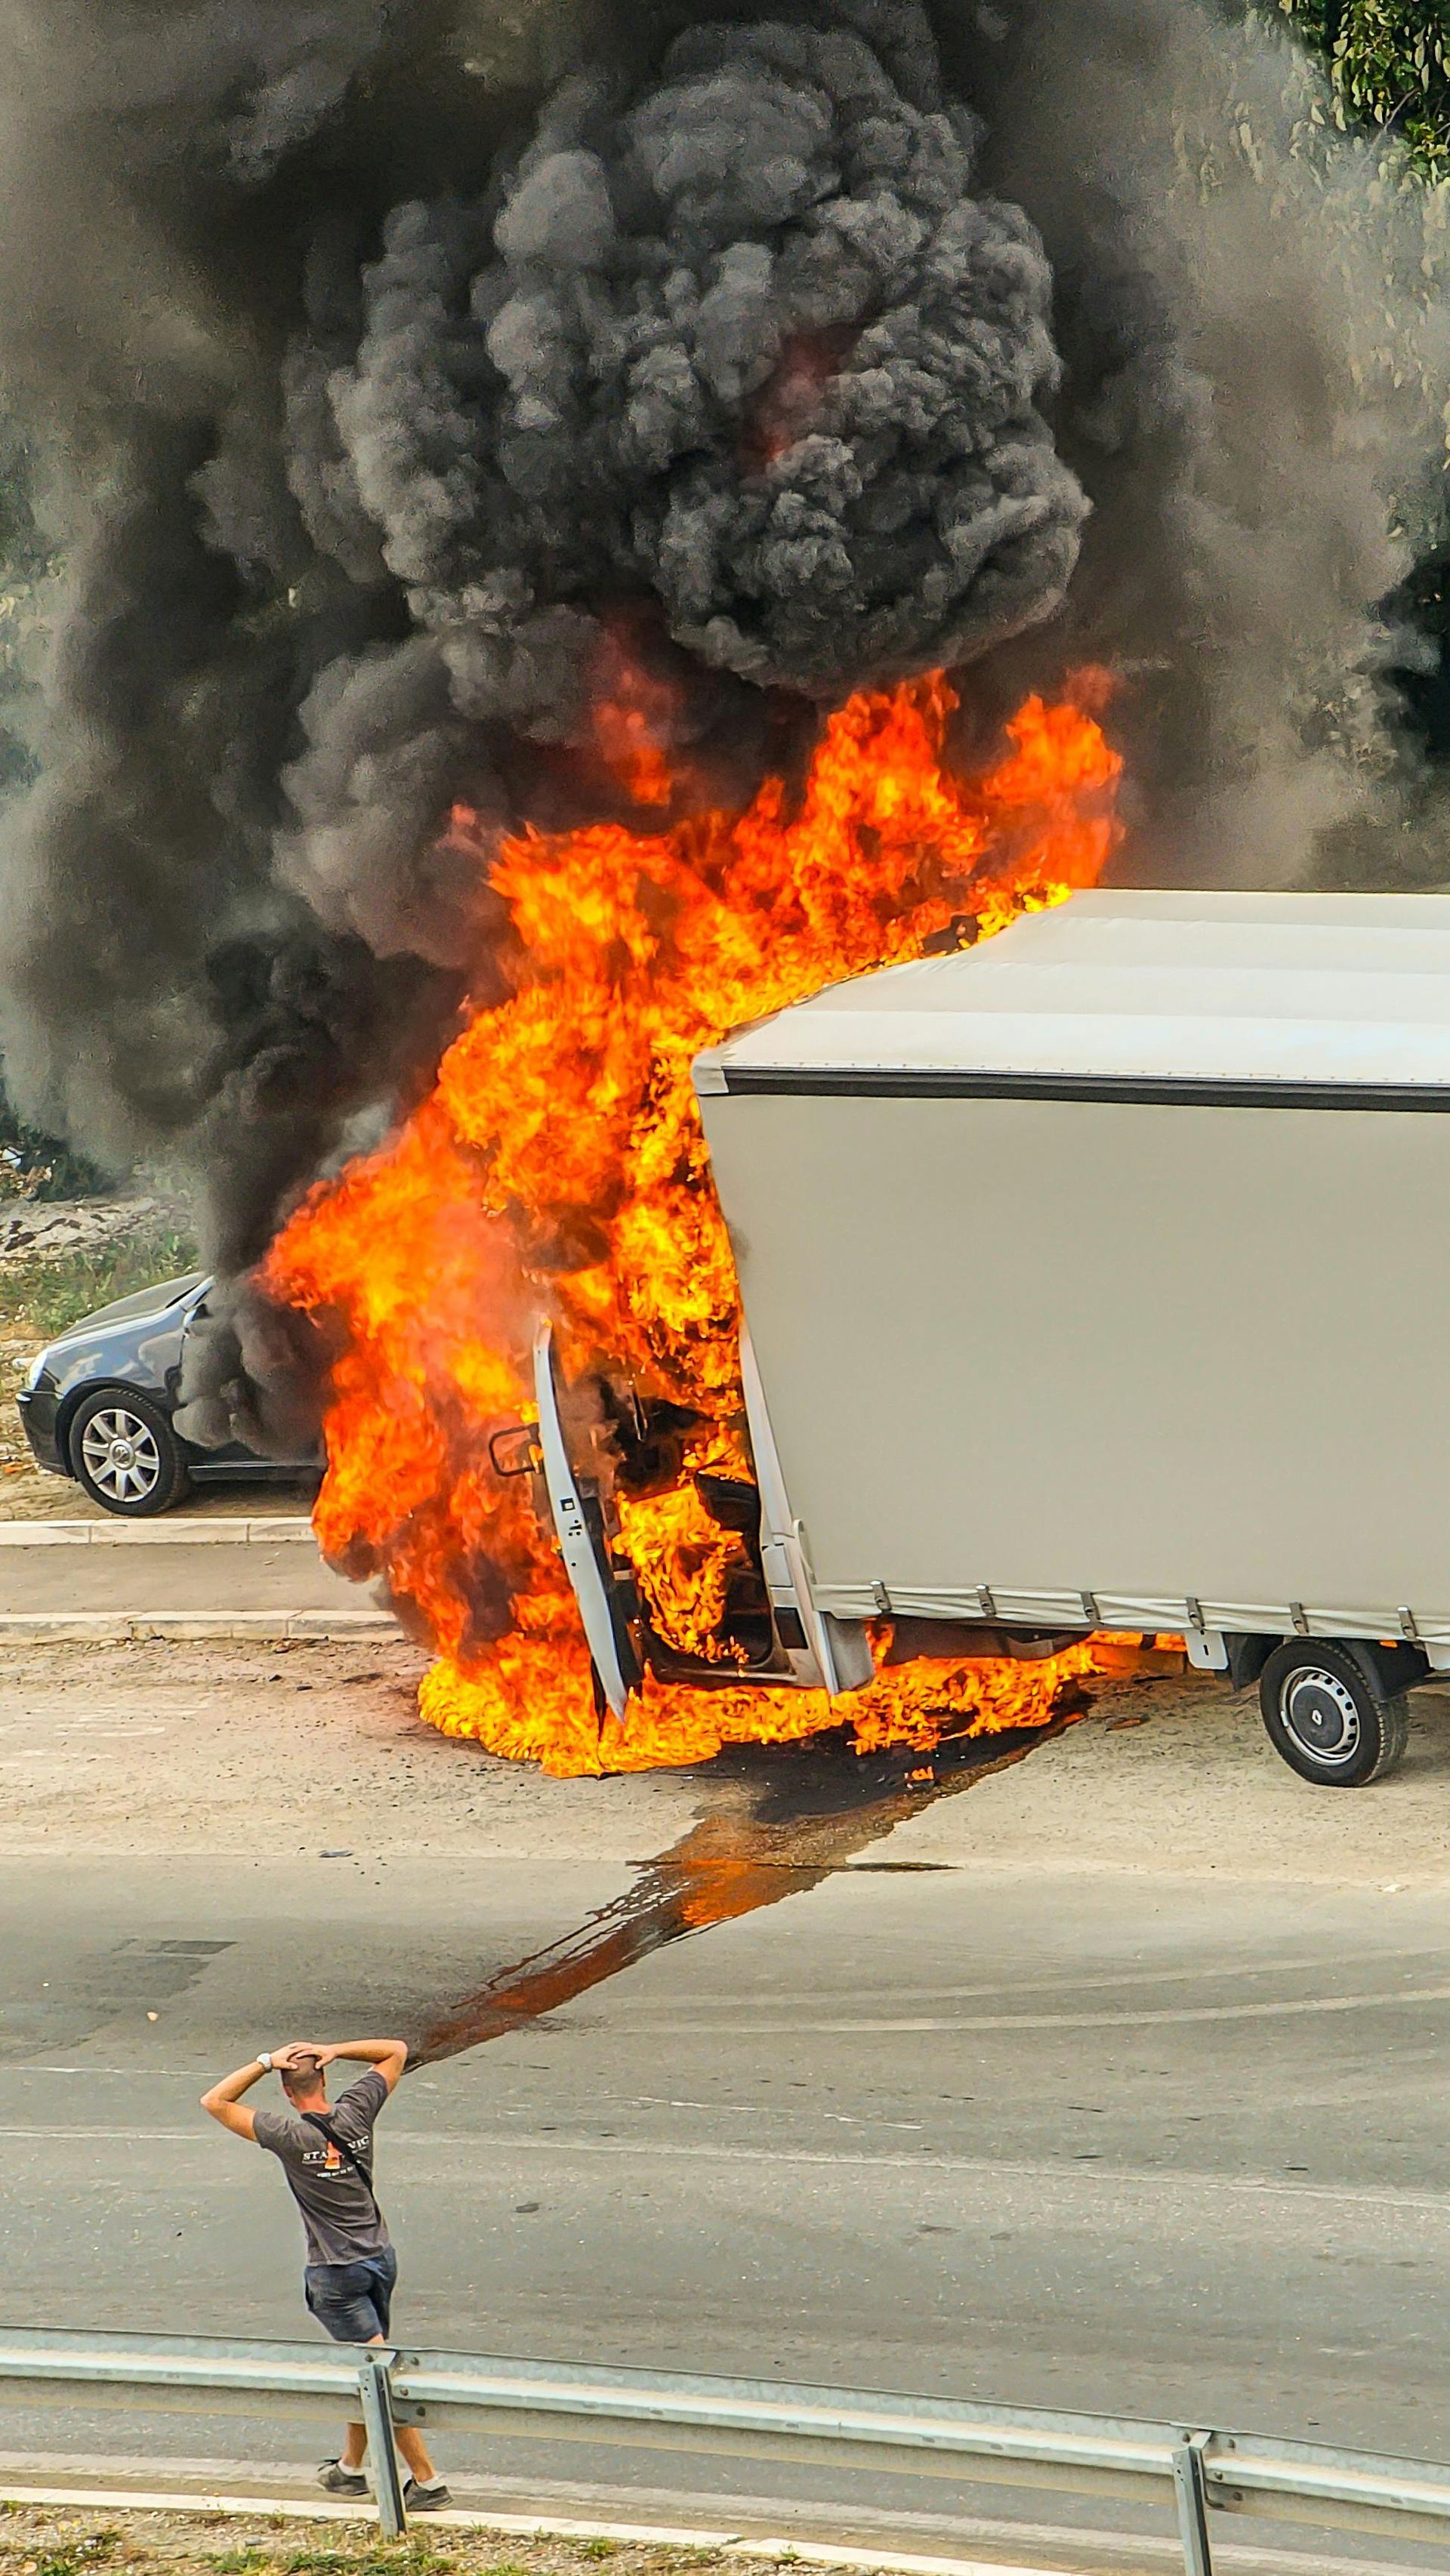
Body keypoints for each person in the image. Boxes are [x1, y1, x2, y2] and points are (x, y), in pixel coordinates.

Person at [200, 2035, 450, 2510]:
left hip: (337, 2277)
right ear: (325, 2079)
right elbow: (395, 2050)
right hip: (379, 2260)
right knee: (369, 2368)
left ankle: (429, 2481)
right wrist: (334, 2047)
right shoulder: (356, 2112)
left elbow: (215, 2101)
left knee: (378, 2375)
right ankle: (349, 2471)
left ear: (287, 2094)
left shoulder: (289, 2136)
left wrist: (262, 2060)